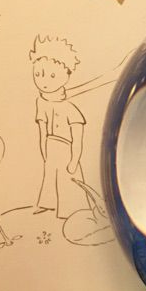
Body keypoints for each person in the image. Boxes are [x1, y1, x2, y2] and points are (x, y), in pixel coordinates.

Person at [30, 36, 90, 219]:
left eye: (52, 75)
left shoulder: (69, 108)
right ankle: (47, 204)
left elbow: (77, 136)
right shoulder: (41, 102)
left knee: (68, 178)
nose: (44, 81)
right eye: (38, 74)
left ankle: (70, 210)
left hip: (66, 147)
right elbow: (42, 130)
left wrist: (74, 159)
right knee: (49, 175)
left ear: (66, 74)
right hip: (51, 146)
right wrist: (43, 149)